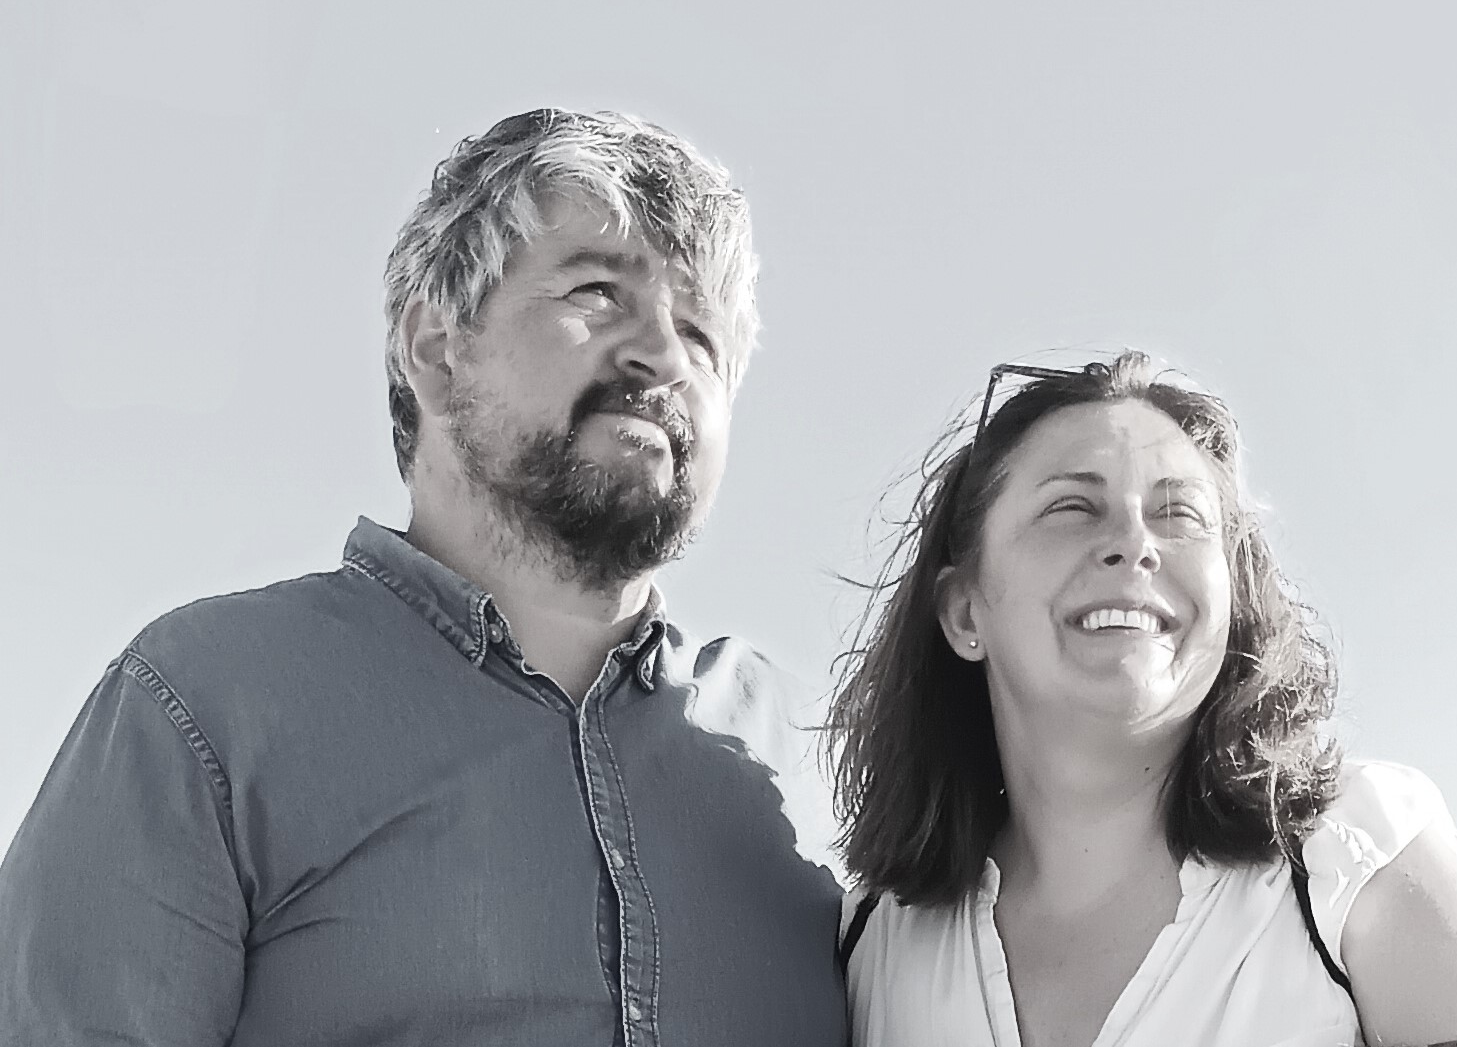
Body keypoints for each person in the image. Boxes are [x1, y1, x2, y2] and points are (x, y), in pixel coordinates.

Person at [0, 109, 847, 1046]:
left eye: (701, 332)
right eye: (599, 292)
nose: (664, 355)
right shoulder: (203, 703)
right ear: (438, 352)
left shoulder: (826, 762)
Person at [828, 352, 1457, 1047]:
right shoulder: (873, 943)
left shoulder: (1354, 856)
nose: (1134, 543)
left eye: (1179, 514)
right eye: (1072, 506)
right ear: (963, 612)